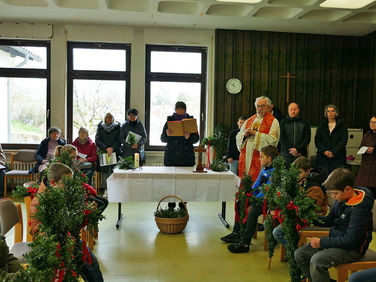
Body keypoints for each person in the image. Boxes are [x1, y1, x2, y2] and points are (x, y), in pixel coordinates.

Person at [294, 168, 374, 282]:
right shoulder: (341, 199)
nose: (333, 197)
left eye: (335, 193)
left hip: (353, 249)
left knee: (318, 260)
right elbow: (328, 220)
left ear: (348, 189)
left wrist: (321, 242)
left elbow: (351, 240)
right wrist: (307, 217)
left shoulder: (359, 209)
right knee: (300, 254)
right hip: (337, 239)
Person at [222, 145, 278, 253]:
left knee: (252, 211)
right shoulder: (265, 169)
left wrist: (253, 198)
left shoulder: (275, 172)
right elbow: (256, 185)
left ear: (269, 158)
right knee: (240, 202)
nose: (260, 159)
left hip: (268, 201)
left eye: (262, 157)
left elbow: (267, 191)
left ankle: (245, 243)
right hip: (259, 198)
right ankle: (237, 232)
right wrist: (248, 194)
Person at [272, 156, 328, 247]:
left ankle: (296, 251)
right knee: (270, 222)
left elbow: (309, 210)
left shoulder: (315, 188)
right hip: (295, 215)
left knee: (277, 232)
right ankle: (293, 248)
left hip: (311, 218)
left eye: (300, 172)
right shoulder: (294, 183)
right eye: (294, 172)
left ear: (308, 172)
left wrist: (286, 211)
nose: (296, 175)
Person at [54, 144, 108, 215]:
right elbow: (73, 187)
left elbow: (82, 182)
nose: (75, 159)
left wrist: (91, 192)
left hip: (80, 193)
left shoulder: (72, 167)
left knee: (104, 202)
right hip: (73, 197)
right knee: (101, 204)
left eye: (75, 157)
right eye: (73, 157)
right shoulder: (62, 168)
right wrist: (88, 194)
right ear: (66, 156)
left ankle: (91, 220)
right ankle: (89, 219)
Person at [236, 96, 280, 180]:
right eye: (258, 106)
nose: (260, 108)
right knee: (245, 182)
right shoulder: (249, 120)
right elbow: (239, 136)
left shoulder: (273, 122)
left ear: (269, 107)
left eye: (262, 106)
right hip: (246, 156)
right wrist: (245, 136)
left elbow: (273, 141)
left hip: (260, 158)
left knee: (258, 183)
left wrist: (255, 134)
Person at [160, 101, 199, 166]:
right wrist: (167, 135)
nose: (180, 111)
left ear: (185, 110)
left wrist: (189, 137)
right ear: (175, 110)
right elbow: (162, 139)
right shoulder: (169, 121)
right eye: (178, 109)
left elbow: (196, 139)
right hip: (172, 156)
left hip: (187, 157)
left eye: (182, 109)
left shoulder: (191, 121)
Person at [315, 104, 348, 175]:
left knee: (337, 178)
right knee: (323, 178)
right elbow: (317, 140)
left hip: (338, 157)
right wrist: (325, 151)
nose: (330, 113)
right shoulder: (321, 125)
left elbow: (343, 141)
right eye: (328, 111)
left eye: (332, 111)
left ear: (336, 113)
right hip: (323, 157)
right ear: (326, 113)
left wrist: (333, 152)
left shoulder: (342, 125)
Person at [355, 115, 376, 198]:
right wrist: (365, 149)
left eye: (375, 122)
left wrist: (374, 150)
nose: (373, 124)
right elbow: (361, 146)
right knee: (363, 189)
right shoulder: (367, 134)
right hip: (366, 165)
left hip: (374, 165)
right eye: (371, 122)